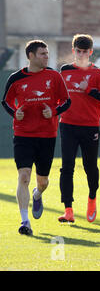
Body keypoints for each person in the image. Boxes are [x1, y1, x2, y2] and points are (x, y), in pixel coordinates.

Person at [1, 40, 71, 235]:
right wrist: (15, 113)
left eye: (47, 53)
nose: (46, 57)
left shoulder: (54, 76)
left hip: (47, 135)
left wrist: (54, 111)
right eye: (42, 54)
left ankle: (37, 194)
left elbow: (67, 101)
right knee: (23, 177)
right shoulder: (16, 78)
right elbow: (5, 101)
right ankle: (25, 222)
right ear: (30, 56)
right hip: (23, 135)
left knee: (43, 181)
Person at [58, 34, 100, 223]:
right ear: (74, 51)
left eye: (85, 52)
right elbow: (58, 96)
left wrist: (88, 89)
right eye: (78, 51)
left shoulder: (97, 73)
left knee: (90, 167)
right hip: (67, 125)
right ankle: (68, 209)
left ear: (91, 52)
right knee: (67, 167)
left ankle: (91, 198)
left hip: (90, 127)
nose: (81, 55)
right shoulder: (64, 71)